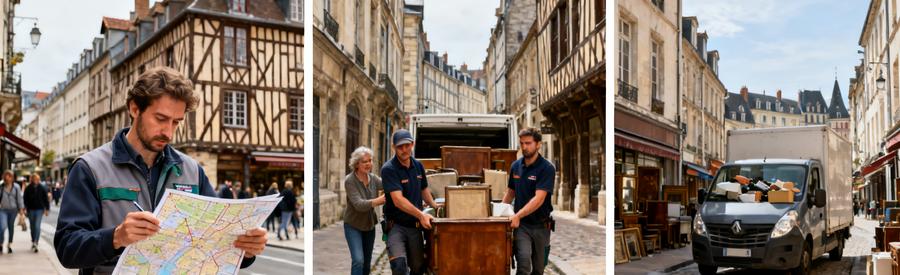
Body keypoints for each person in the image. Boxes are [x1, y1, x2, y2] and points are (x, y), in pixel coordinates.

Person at [54, 67, 267, 274]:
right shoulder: (90, 168)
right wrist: (116, 237)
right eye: (161, 119)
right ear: (135, 108)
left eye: (176, 122)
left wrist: (246, 250)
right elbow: (67, 249)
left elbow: (216, 245)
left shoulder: (192, 171)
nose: (168, 132)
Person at [382, 129, 439, 275]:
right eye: (400, 147)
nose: (404, 150)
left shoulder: (418, 166)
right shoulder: (389, 169)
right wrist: (421, 215)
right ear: (394, 147)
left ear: (412, 144)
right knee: (399, 266)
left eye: (407, 145)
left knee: (418, 268)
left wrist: (435, 206)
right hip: (396, 226)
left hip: (415, 227)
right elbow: (398, 200)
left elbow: (424, 190)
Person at [501, 127, 556, 275]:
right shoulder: (515, 166)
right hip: (522, 226)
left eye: (528, 143)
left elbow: (539, 199)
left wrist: (517, 215)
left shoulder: (547, 168)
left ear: (538, 144)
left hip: (541, 226)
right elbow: (510, 192)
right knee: (524, 264)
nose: (524, 147)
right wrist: (499, 212)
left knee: (538, 269)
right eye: (522, 143)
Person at [343, 146, 385, 275]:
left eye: (370, 160)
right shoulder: (350, 180)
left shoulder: (373, 178)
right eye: (364, 161)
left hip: (369, 226)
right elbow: (358, 204)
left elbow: (388, 184)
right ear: (356, 164)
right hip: (353, 225)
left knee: (367, 262)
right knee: (358, 260)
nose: (368, 164)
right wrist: (378, 200)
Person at [23, 174, 50, 253]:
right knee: (32, 226)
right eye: (34, 179)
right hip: (30, 210)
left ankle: (36, 242)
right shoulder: (28, 188)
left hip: (39, 210)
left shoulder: (42, 188)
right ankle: (33, 240)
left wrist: (47, 209)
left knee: (37, 226)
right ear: (32, 179)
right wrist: (25, 208)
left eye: (37, 179)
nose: (36, 180)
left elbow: (46, 199)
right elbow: (25, 199)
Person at [0, 170, 23, 254]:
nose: (7, 177)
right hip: (3, 210)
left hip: (13, 210)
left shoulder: (16, 187)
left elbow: (19, 199)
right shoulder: (1, 186)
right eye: (6, 176)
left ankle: (9, 244)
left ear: (12, 178)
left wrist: (21, 209)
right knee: (2, 227)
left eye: (9, 176)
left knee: (11, 228)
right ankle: (1, 243)